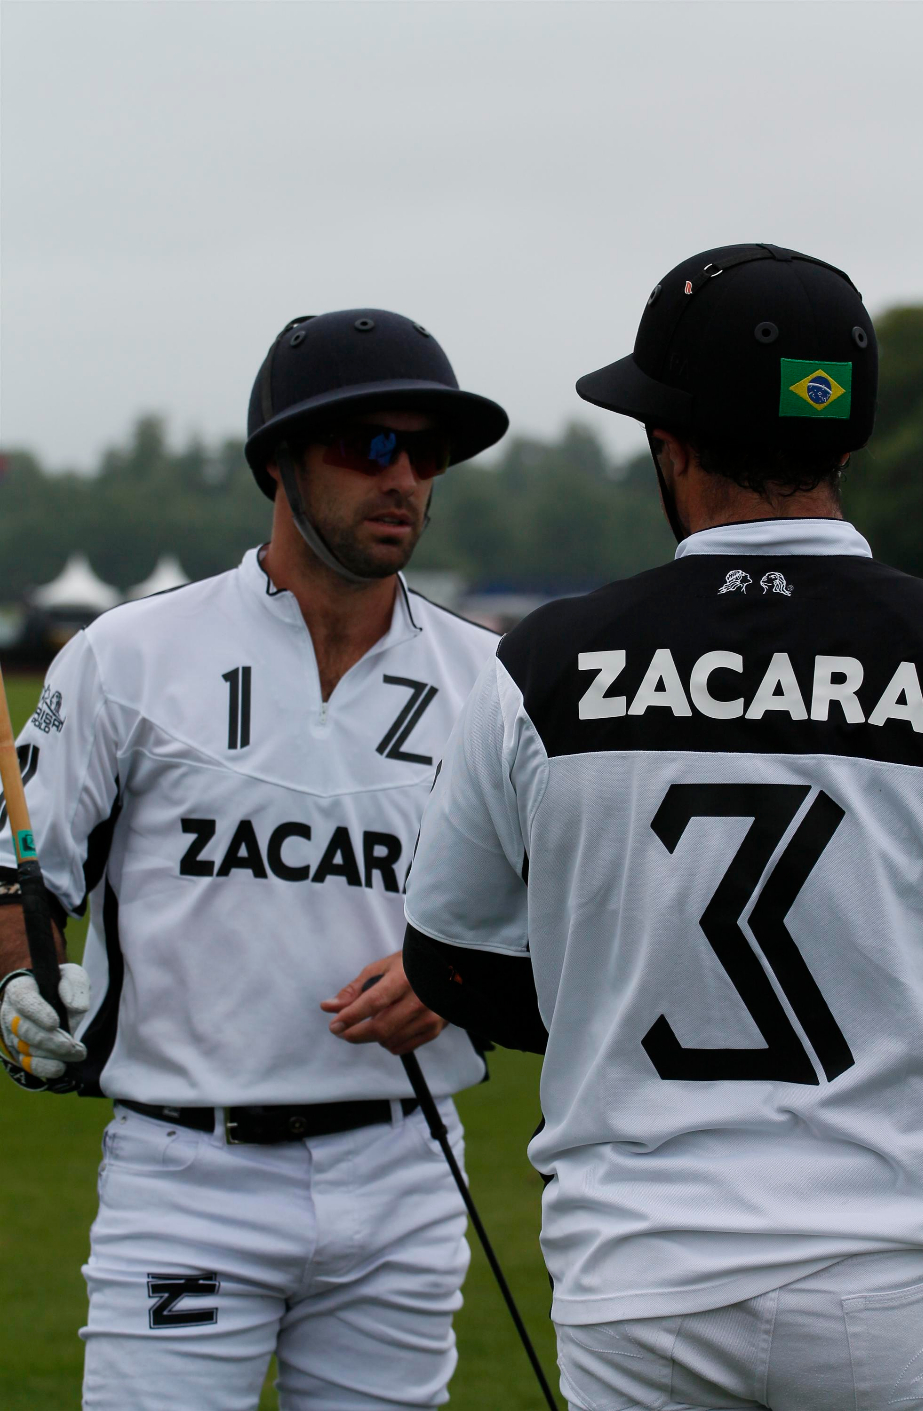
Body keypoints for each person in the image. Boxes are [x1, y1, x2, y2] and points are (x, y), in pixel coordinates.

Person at [401, 246, 923, 1410]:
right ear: (843, 442)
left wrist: (612, 991)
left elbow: (446, 959)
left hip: (638, 1278)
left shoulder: (539, 662)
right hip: (898, 1279)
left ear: (669, 442)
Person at [0, 308, 508, 1411]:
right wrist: (13, 984)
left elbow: (567, 914)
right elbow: (18, 874)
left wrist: (459, 979)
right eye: (369, 446)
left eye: (425, 453)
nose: (404, 478)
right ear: (277, 460)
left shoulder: (494, 683)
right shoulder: (129, 657)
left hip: (406, 1170)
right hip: (189, 1171)